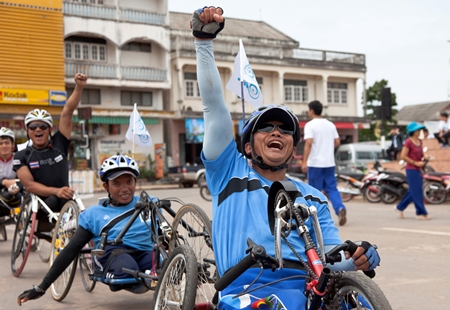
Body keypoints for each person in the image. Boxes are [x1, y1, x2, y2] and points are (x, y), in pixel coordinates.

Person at [193, 7, 380, 309]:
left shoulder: (314, 197)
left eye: (285, 130)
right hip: (247, 288)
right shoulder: (228, 171)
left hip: (310, 288)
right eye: (265, 127)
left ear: (294, 149)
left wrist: (357, 256)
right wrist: (203, 43)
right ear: (248, 147)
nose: (276, 132)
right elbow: (214, 108)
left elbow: (331, 257)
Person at [17, 155, 156, 305]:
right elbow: (71, 249)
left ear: (135, 181)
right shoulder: (93, 214)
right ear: (106, 187)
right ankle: (138, 279)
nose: (125, 189)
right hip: (114, 252)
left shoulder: (149, 203)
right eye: (116, 183)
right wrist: (41, 287)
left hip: (146, 251)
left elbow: (165, 235)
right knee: (128, 270)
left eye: (129, 181)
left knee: (165, 264)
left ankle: (148, 277)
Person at [13, 73, 87, 233]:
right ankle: (49, 229)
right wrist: (56, 191)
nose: (38, 129)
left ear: (49, 130)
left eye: (42, 126)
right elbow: (30, 185)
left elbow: (67, 111)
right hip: (42, 200)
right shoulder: (22, 155)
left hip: (65, 196)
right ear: (28, 131)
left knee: (82, 215)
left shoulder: (59, 143)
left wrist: (79, 87)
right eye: (33, 127)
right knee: (55, 199)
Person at [301, 100, 347, 226]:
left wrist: (305, 161)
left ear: (311, 110)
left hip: (315, 163)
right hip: (329, 163)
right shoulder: (330, 125)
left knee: (314, 192)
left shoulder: (310, 125)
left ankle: (315, 218)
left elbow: (309, 143)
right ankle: (340, 209)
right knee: (332, 189)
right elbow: (337, 142)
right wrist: (327, 149)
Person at [396, 122, 431, 220]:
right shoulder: (408, 142)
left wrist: (425, 156)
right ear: (412, 131)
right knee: (417, 191)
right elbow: (403, 156)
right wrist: (415, 163)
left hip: (419, 169)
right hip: (411, 169)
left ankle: (400, 207)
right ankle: (421, 212)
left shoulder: (420, 141)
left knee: (414, 191)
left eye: (419, 129)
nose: (419, 131)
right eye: (417, 130)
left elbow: (422, 153)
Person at [0, 127, 24, 229]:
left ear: (13, 145)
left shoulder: (18, 158)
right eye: (1, 143)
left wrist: (17, 186)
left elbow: (25, 179)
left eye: (7, 143)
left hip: (15, 195)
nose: (4, 146)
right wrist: (5, 182)